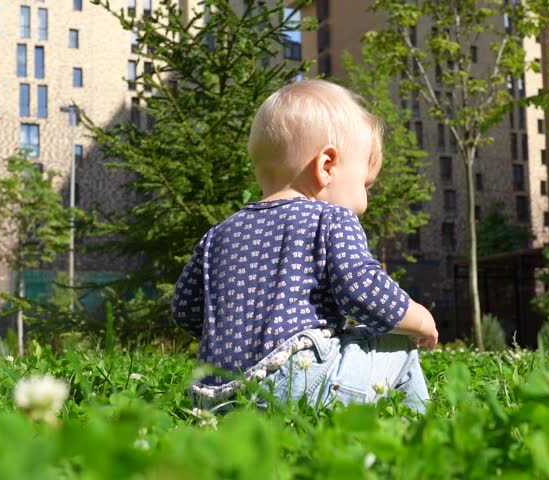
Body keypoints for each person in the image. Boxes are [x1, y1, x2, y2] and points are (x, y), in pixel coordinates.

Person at [172, 79, 438, 414]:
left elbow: (184, 309)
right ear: (327, 166)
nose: (367, 198)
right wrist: (421, 318)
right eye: (365, 184)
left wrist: (236, 339)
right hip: (297, 386)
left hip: (213, 398)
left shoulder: (218, 233)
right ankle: (426, 432)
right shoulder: (330, 218)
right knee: (395, 341)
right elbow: (363, 291)